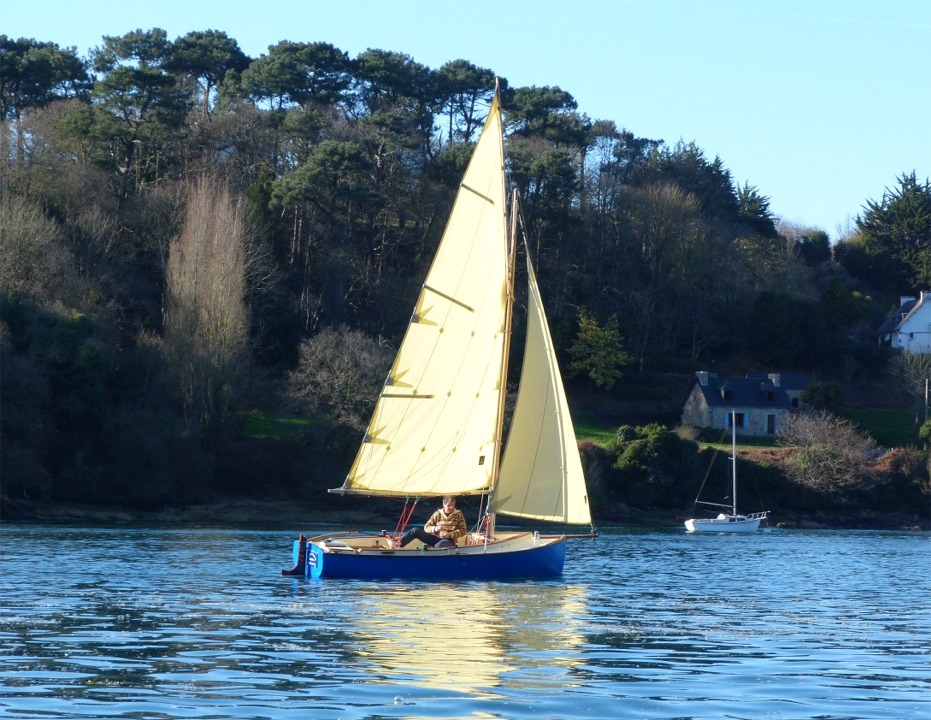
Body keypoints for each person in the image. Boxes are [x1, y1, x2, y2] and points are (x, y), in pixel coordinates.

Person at [398, 496, 467, 548]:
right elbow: (426, 527)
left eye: (453, 505)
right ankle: (398, 544)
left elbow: (463, 530)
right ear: (443, 504)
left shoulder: (458, 514)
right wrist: (435, 529)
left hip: (449, 540)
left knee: (440, 545)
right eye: (449, 505)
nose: (451, 507)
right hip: (434, 538)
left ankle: (432, 552)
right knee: (414, 531)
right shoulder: (437, 514)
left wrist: (449, 534)